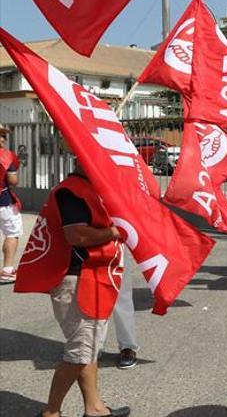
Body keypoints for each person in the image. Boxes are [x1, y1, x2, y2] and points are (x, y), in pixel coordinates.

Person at [15, 162, 130, 417]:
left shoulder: (84, 189)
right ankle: (51, 412)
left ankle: (95, 408)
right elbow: (77, 236)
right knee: (80, 352)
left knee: (87, 349)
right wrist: (114, 231)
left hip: (89, 276)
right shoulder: (73, 191)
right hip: (78, 280)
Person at [0, 124, 22, 284]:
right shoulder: (6, 156)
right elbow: (13, 181)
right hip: (3, 201)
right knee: (12, 233)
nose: (3, 139)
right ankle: (7, 270)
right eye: (1, 135)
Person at [111, 255, 138, 369]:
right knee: (90, 296)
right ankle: (92, 346)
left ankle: (127, 346)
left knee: (120, 293)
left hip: (117, 243)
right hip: (84, 243)